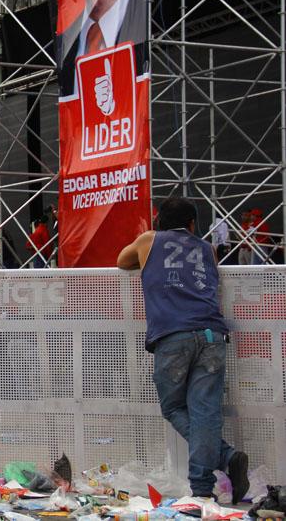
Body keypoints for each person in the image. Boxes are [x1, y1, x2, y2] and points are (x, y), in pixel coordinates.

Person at [117, 197, 248, 501]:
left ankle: (225, 458)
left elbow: (122, 260)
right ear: (192, 224)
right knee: (206, 412)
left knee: (174, 408)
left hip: (173, 334)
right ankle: (203, 488)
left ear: (159, 221)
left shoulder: (149, 240)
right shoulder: (208, 249)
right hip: (213, 334)